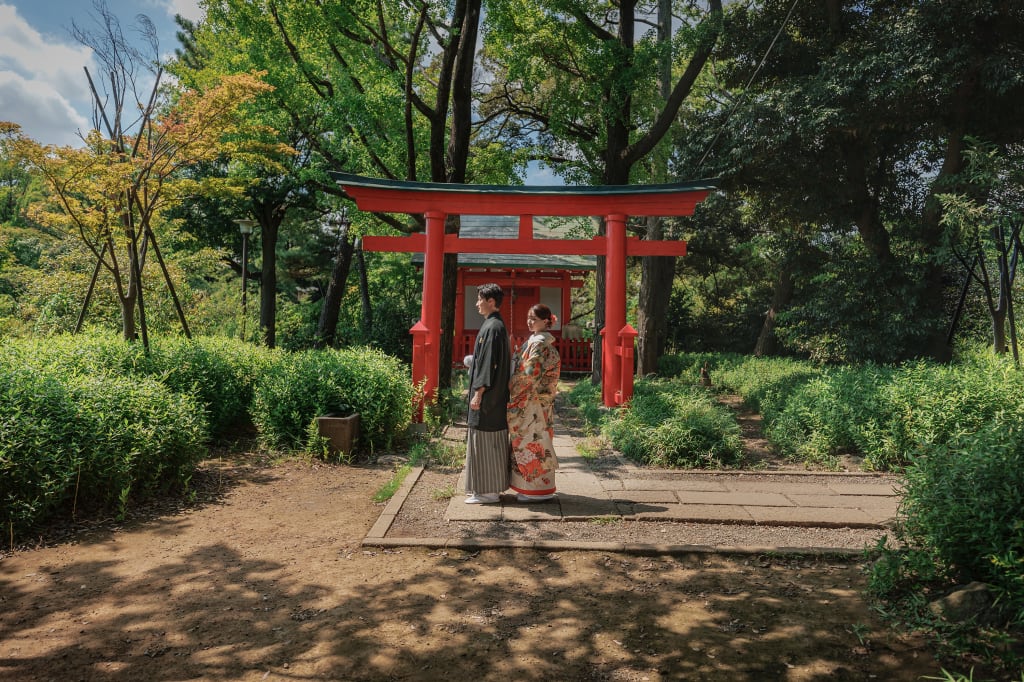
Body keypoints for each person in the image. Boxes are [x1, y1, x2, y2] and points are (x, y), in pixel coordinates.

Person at [462, 283, 511, 504]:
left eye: (480, 299)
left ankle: (488, 491)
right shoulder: (495, 326)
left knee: (485, 441)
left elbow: (489, 364)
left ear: (491, 301)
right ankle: (487, 489)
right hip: (495, 397)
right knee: (488, 441)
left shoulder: (493, 327)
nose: (477, 303)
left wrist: (478, 393)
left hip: (488, 398)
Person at [508, 303, 561, 502]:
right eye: (528, 318)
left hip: (534, 401)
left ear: (546, 321)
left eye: (534, 319)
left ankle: (536, 490)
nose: (530, 322)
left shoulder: (539, 343)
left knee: (533, 442)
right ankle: (539, 487)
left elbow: (530, 373)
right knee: (539, 440)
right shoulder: (537, 341)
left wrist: (511, 384)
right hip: (540, 402)